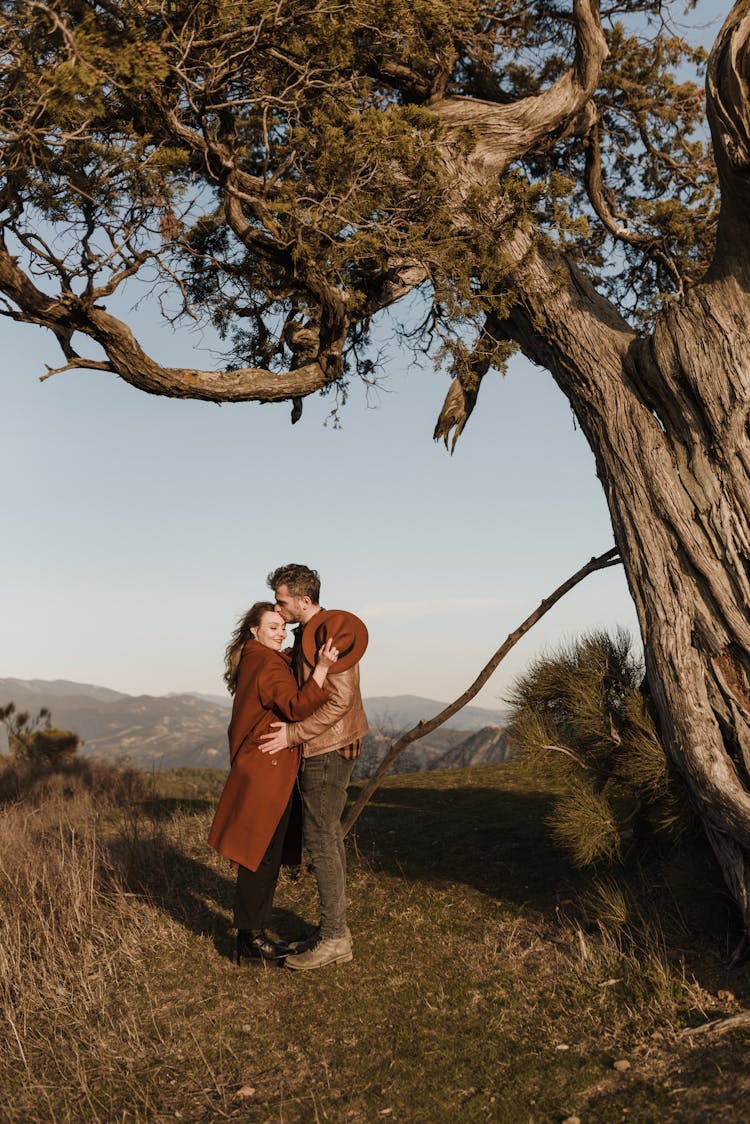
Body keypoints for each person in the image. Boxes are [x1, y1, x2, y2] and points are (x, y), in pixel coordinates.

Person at [208, 601, 339, 965]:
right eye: (273, 627)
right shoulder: (265, 662)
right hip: (267, 770)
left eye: (283, 627)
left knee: (263, 854)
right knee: (259, 856)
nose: (280, 632)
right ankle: (249, 942)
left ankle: (256, 935)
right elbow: (297, 706)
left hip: (264, 767)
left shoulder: (257, 657)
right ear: (254, 630)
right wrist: (323, 669)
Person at [261, 563, 369, 971]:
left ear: (303, 601)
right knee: (323, 838)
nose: (277, 605)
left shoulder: (329, 630)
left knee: (322, 840)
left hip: (325, 749)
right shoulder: (312, 632)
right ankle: (330, 931)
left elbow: (340, 698)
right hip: (326, 743)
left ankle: (334, 938)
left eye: (282, 600)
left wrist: (292, 735)